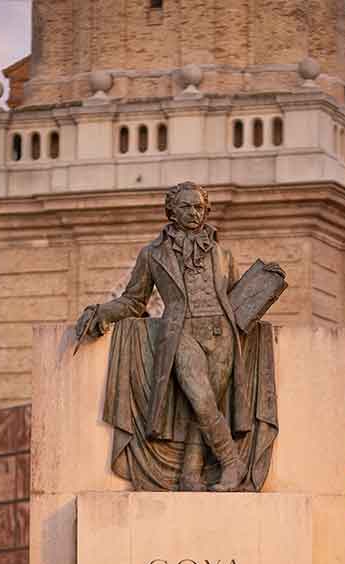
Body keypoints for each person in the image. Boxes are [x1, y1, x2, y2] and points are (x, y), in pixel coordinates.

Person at [76, 182, 282, 491]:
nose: (194, 213)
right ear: (171, 211)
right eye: (187, 206)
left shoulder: (223, 254)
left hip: (221, 332)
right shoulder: (152, 254)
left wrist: (263, 284)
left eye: (199, 207)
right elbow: (135, 300)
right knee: (200, 397)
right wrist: (102, 312)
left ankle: (190, 474)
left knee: (204, 403)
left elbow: (235, 299)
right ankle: (231, 462)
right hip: (181, 331)